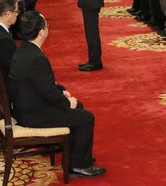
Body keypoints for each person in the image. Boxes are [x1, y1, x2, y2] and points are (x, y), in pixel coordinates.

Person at [9, 11, 106, 178]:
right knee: (86, 118)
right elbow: (48, 92)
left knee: (78, 108)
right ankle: (78, 166)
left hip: (24, 105)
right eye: (46, 25)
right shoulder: (36, 57)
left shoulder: (24, 49)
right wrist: (66, 102)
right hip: (33, 114)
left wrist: (62, 93)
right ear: (41, 32)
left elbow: (43, 86)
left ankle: (76, 155)